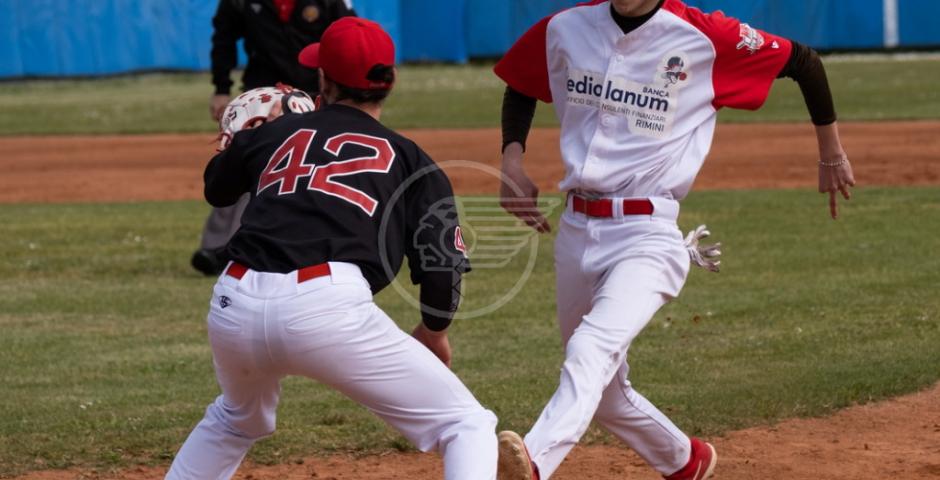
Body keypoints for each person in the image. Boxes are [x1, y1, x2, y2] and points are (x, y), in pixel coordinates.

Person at [492, 1, 855, 479]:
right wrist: (511, 160)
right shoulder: (565, 27)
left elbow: (803, 61)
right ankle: (686, 461)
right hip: (575, 229)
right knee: (603, 393)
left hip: (648, 234)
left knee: (590, 351)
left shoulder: (707, 37)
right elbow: (521, 82)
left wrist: (830, 149)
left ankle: (535, 464)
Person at [166, 17, 498, 480]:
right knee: (467, 423)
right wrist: (434, 330)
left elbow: (217, 190)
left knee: (235, 420)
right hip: (327, 308)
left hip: (234, 303)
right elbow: (441, 268)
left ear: (323, 79)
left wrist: (240, 141)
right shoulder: (412, 160)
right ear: (391, 81)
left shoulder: (274, 134)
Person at [192, 0, 356, 276]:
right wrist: (221, 88)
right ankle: (217, 246)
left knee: (322, 167)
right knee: (245, 161)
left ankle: (334, 242)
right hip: (262, 97)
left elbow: (347, 36)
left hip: (315, 93)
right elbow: (224, 37)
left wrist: (342, 91)